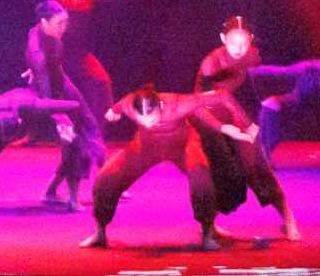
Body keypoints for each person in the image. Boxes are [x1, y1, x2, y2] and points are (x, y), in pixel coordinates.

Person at [0, 0, 167, 117]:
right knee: (45, 94)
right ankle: (34, 130)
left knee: (102, 83)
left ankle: (97, 130)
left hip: (80, 56)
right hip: (57, 56)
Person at [81, 86, 255, 251]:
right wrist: (113, 111)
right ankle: (100, 233)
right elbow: (119, 106)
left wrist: (248, 125)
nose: (149, 124)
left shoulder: (178, 104)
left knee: (201, 178)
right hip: (146, 145)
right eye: (143, 121)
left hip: (181, 144)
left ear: (160, 106)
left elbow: (222, 95)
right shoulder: (128, 104)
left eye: (152, 119)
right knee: (107, 177)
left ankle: (208, 232)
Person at [192, 16, 299, 241]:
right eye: (232, 42)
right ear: (222, 39)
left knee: (256, 165)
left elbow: (255, 87)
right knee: (215, 171)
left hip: (233, 114)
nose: (238, 48)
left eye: (244, 42)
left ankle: (287, 215)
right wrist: (223, 127)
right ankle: (209, 225)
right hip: (207, 119)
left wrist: (257, 114)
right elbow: (201, 104)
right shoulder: (211, 63)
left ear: (251, 39)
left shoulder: (253, 56)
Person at [23, 0, 105, 210]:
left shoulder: (49, 34)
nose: (64, 28)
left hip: (61, 82)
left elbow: (51, 67)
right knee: (73, 140)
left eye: (66, 22)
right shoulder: (37, 51)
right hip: (47, 93)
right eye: (59, 23)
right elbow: (44, 81)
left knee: (89, 123)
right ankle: (71, 195)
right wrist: (57, 115)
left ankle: (104, 175)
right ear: (44, 22)